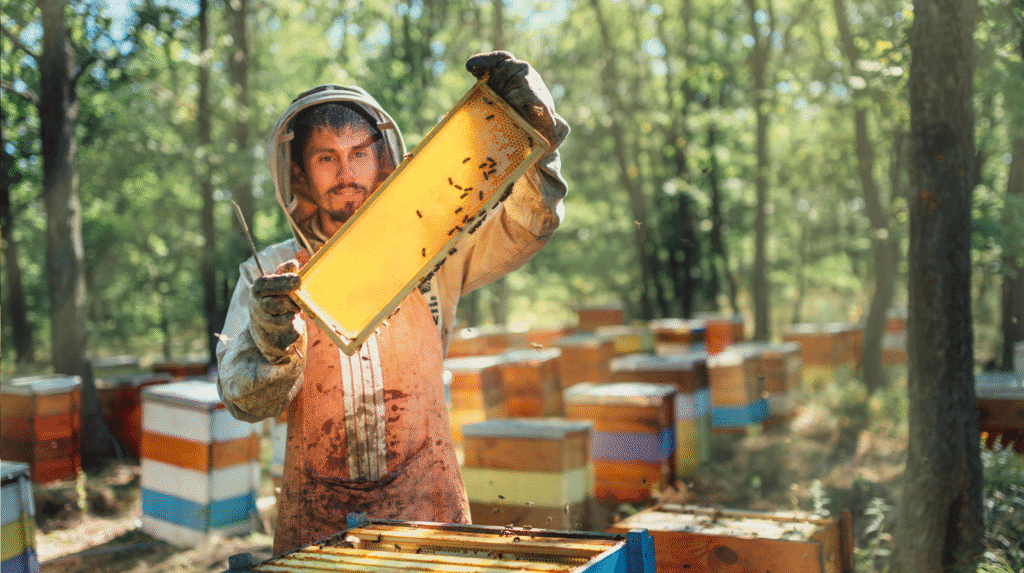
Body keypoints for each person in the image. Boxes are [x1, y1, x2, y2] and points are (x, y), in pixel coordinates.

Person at [215, 51, 569, 555]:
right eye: (326, 157)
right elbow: (242, 399)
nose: (346, 171)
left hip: (429, 513)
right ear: (299, 174)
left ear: (383, 158)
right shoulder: (268, 274)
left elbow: (528, 223)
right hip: (316, 524)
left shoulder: (432, 245)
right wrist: (272, 348)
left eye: (360, 153)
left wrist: (536, 139)